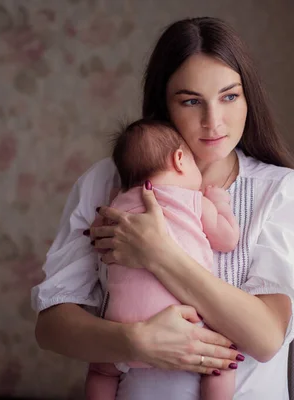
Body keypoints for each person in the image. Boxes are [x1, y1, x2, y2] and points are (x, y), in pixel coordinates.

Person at [32, 17, 294, 399]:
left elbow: (266, 338)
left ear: (248, 96)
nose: (214, 121)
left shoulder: (279, 191)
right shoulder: (106, 182)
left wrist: (159, 253)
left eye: (230, 96)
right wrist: (136, 341)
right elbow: (51, 326)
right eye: (190, 101)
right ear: (163, 104)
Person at [85, 119, 239, 400]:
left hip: (123, 327)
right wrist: (220, 203)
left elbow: (96, 237)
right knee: (223, 362)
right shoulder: (193, 201)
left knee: (101, 371)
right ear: (180, 160)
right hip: (185, 325)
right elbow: (227, 239)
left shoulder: (116, 207)